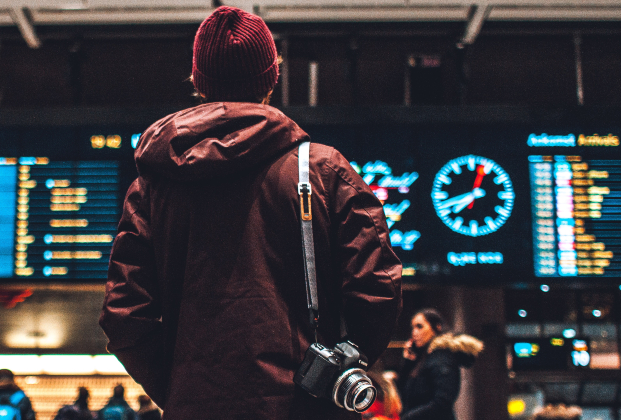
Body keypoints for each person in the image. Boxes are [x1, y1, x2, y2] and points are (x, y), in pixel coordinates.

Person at [99, 5, 402, 419]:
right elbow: (378, 288)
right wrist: (335, 369)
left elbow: (124, 317)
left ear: (198, 81)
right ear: (272, 77)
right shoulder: (323, 171)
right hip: (304, 408)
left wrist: (181, 391)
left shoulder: (153, 186)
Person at [397, 309, 484, 420]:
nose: (414, 332)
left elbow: (442, 403)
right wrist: (408, 362)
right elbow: (404, 393)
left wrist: (408, 418)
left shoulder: (441, 359)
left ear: (437, 328)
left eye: (419, 326)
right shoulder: (424, 358)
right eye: (413, 327)